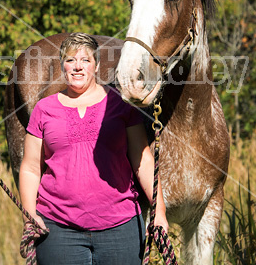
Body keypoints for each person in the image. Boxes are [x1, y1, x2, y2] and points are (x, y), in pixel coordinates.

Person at [19, 32, 169, 264]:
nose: (77, 67)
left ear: (96, 66)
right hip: (58, 229)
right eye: (70, 60)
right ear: (63, 66)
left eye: (85, 60)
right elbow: (30, 168)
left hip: (121, 228)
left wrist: (159, 212)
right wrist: (29, 214)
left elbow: (143, 162)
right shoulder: (44, 109)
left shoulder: (120, 104)